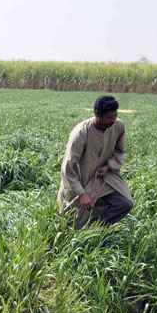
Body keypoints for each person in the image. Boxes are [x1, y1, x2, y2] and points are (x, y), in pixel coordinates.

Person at [57, 95, 133, 228]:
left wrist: (110, 166)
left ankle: (98, 229)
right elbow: (68, 168)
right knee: (73, 223)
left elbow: (119, 152)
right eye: (109, 117)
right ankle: (85, 233)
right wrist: (82, 193)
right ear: (97, 115)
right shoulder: (81, 133)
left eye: (115, 115)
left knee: (124, 203)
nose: (113, 120)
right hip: (81, 181)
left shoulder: (118, 126)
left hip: (104, 178)